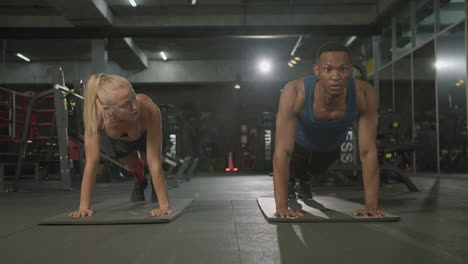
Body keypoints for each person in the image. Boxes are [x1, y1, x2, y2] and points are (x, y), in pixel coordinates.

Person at [273, 42, 388, 218]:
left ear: (350, 71)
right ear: (317, 71)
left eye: (342, 69)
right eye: (328, 69)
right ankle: (292, 181)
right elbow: (282, 151)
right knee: (296, 164)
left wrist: (371, 206)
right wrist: (281, 207)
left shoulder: (363, 93)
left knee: (316, 170)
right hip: (299, 146)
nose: (336, 76)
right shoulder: (295, 92)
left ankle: (304, 180)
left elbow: (368, 151)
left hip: (330, 148)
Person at [69, 73, 171, 217]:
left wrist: (164, 206)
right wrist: (84, 207)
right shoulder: (97, 117)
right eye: (125, 105)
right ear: (107, 109)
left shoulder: (148, 109)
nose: (135, 107)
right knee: (133, 165)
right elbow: (91, 162)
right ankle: (141, 181)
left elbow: (154, 162)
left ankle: (155, 185)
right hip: (120, 139)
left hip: (144, 134)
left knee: (150, 162)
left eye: (133, 96)